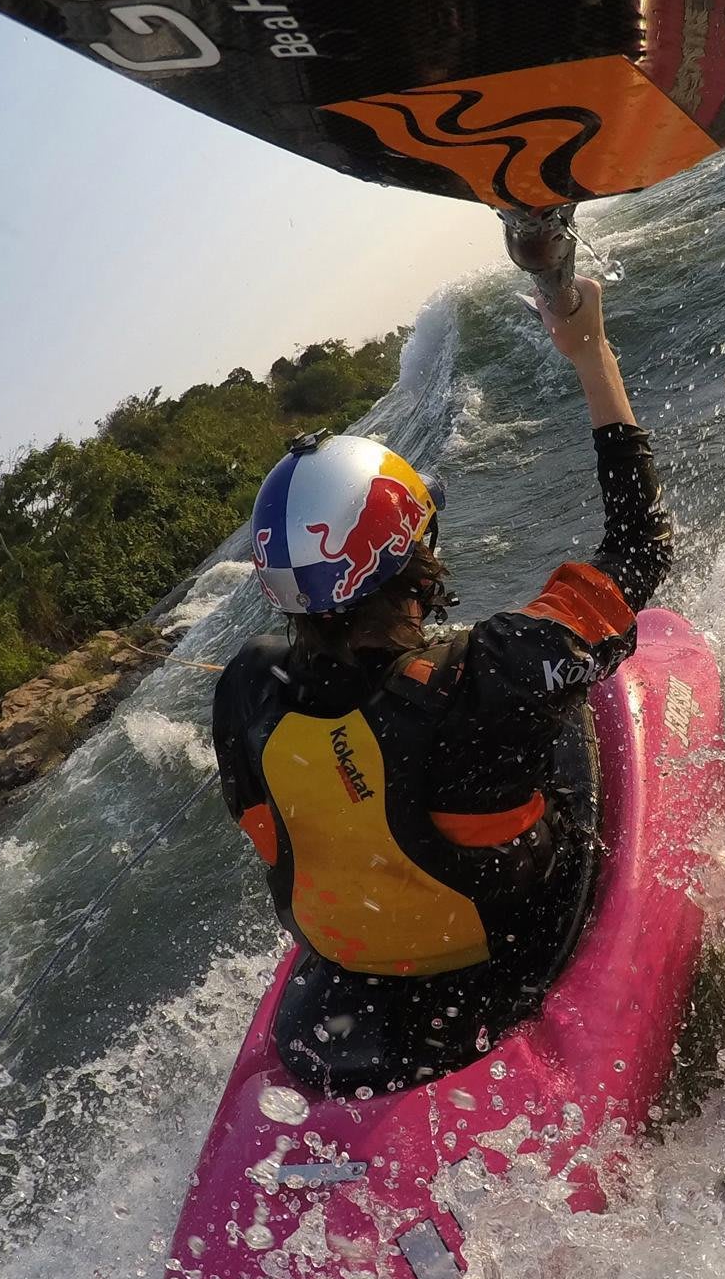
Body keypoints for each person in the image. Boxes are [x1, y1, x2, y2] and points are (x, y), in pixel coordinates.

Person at [211, 276, 672, 1094]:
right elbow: (639, 550)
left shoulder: (246, 687)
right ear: (414, 561)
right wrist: (590, 350)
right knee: (559, 707)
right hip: (503, 957)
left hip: (353, 979)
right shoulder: (496, 671)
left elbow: (280, 819)